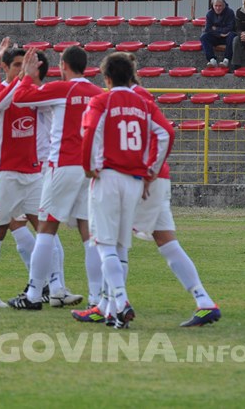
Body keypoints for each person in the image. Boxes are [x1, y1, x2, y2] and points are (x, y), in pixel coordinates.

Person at [73, 56, 221, 327]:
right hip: (150, 176)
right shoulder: (141, 97)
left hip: (138, 176)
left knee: (113, 241)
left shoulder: (125, 98)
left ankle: (113, 304)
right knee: (163, 240)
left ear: (109, 77)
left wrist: (148, 172)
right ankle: (203, 300)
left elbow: (158, 134)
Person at [80, 53, 174, 328]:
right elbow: (166, 133)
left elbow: (90, 131)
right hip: (134, 179)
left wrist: (89, 166)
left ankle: (120, 301)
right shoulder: (143, 103)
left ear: (106, 78)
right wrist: (151, 171)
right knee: (121, 246)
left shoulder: (102, 100)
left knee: (104, 244)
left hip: (108, 176)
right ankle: (113, 313)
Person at [8, 45, 103, 310]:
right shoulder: (98, 93)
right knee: (89, 233)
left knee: (47, 228)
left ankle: (34, 294)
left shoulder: (63, 89)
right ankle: (96, 297)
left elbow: (21, 98)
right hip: (90, 168)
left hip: (63, 165)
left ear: (63, 65)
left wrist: (28, 75)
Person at [0, 44, 44, 307]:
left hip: (33, 173)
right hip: (5, 173)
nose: (20, 70)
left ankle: (46, 287)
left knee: (46, 229)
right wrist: (21, 78)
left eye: (23, 65)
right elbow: (0, 102)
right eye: (16, 65)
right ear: (4, 67)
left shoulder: (30, 91)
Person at [200, 0, 236, 68]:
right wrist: (219, 34)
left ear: (224, 6)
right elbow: (207, 29)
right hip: (216, 36)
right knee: (204, 37)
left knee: (232, 36)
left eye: (220, 6)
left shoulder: (230, 12)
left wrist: (215, 28)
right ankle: (212, 60)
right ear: (213, 6)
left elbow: (230, 27)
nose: (217, 8)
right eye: (216, 6)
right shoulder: (209, 13)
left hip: (227, 36)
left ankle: (226, 60)